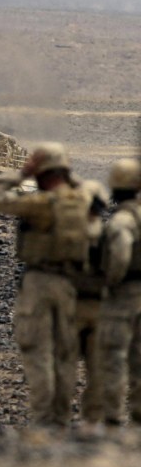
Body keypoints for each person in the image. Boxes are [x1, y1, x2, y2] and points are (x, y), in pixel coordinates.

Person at [0, 142, 91, 428]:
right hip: (72, 285)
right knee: (66, 353)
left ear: (41, 173)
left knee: (37, 350)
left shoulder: (40, 204)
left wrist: (20, 174)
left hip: (40, 282)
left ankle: (46, 419)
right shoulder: (82, 201)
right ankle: (62, 415)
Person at [97, 158, 141, 427]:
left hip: (125, 294)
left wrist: (111, 280)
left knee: (114, 354)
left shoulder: (121, 221)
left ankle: (112, 416)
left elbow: (120, 254)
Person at [74, 180, 110, 435]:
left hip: (71, 306)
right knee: (99, 367)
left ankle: (53, 419)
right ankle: (95, 421)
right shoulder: (111, 234)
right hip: (100, 306)